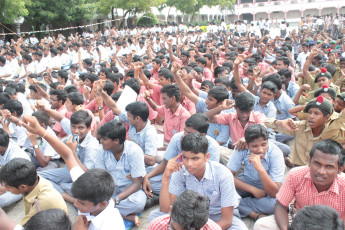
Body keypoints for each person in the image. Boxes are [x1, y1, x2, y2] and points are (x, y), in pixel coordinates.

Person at [149, 132, 248, 230]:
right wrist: (166, 177)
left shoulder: (223, 174)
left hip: (217, 214)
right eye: (185, 157)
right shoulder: (179, 171)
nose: (189, 164)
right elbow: (166, 208)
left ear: (207, 157)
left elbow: (226, 220)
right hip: (188, 215)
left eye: (195, 158)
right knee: (155, 217)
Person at [254, 139, 345, 230]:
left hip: (330, 226)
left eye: (329, 166)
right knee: (261, 225)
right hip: (298, 218)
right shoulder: (296, 174)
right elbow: (281, 205)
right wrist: (284, 228)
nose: (321, 171)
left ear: (340, 169)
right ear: (309, 162)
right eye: (317, 163)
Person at [142, 113, 220, 199]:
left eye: (189, 133)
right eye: (185, 131)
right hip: (175, 177)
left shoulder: (213, 147)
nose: (185, 135)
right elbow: (165, 163)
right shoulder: (177, 137)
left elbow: (208, 177)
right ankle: (166, 196)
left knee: (195, 195)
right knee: (145, 178)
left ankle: (165, 197)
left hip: (195, 183)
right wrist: (147, 177)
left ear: (203, 135)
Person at [265, 96, 345, 167]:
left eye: (316, 113)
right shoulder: (301, 126)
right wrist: (280, 122)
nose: (311, 116)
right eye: (309, 112)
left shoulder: (334, 134)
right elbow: (265, 122)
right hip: (298, 169)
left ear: (326, 117)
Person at [227, 124, 285, 220]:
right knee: (221, 190)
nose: (260, 150)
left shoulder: (275, 153)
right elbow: (227, 175)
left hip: (268, 186)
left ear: (268, 142)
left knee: (278, 203)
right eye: (254, 146)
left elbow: (274, 193)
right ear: (247, 144)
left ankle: (239, 204)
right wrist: (252, 189)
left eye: (264, 144)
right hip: (247, 182)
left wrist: (260, 168)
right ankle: (252, 213)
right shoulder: (242, 147)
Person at [96, 120, 147, 225]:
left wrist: (115, 200)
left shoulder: (134, 151)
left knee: (139, 203)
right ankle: (125, 215)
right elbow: (100, 178)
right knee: (90, 196)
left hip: (129, 192)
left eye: (104, 139)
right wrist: (107, 196)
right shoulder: (101, 151)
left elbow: (137, 184)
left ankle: (100, 210)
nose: (101, 141)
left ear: (116, 141)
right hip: (109, 189)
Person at [0, 158, 67, 225]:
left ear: (23, 187)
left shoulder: (43, 200)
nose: (6, 189)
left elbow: (23, 226)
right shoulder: (34, 182)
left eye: (8, 188)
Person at [148, 190, 221, 230]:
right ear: (171, 211)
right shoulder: (156, 226)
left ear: (203, 224)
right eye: (173, 229)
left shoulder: (213, 228)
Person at [0, 128, 31, 208]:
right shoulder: (4, 145)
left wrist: (3, 188)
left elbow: (17, 183)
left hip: (18, 186)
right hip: (6, 179)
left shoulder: (16, 157)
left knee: (2, 200)